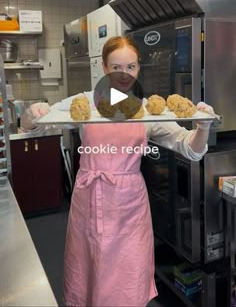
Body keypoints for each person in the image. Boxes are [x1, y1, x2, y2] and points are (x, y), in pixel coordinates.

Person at [21, 36, 215, 307]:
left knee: (127, 280)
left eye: (131, 67)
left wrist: (203, 127)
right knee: (88, 273)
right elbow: (41, 125)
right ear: (104, 67)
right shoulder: (84, 102)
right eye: (116, 67)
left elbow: (189, 148)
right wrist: (31, 117)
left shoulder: (147, 110)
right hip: (89, 201)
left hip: (129, 209)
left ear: (138, 69)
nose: (124, 75)